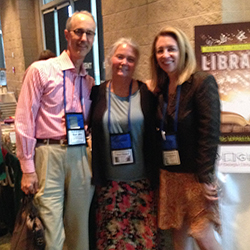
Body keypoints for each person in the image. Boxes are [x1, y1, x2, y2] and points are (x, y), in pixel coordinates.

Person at [15, 10, 96, 250]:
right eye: (78, 31)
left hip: (80, 154)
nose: (83, 38)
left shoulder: (88, 82)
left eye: (89, 33)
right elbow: (24, 120)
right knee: (51, 232)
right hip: (49, 155)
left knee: (79, 228)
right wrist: (27, 168)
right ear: (66, 34)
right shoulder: (40, 71)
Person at [150, 26, 222, 250]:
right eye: (160, 51)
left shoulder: (201, 82)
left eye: (171, 49)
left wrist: (206, 177)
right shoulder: (161, 89)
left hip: (194, 176)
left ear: (182, 51)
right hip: (170, 176)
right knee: (178, 238)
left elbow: (210, 133)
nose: (165, 55)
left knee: (203, 235)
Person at [89, 38, 159, 249]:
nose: (124, 62)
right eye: (120, 56)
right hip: (109, 185)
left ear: (136, 64)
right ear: (110, 59)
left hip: (142, 184)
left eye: (130, 59)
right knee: (112, 242)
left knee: (144, 242)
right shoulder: (97, 93)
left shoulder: (147, 93)